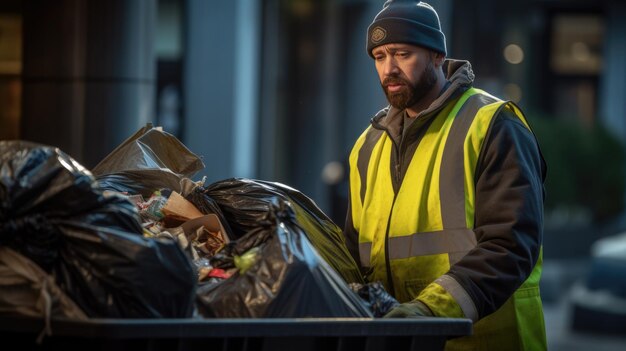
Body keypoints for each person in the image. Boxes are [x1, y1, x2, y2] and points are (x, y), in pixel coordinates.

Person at [343, 1, 547, 350]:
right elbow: (352, 254)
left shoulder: (491, 124)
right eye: (379, 57)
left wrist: (429, 313)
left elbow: (510, 245)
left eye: (402, 53)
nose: (388, 69)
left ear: (437, 55)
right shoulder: (367, 146)